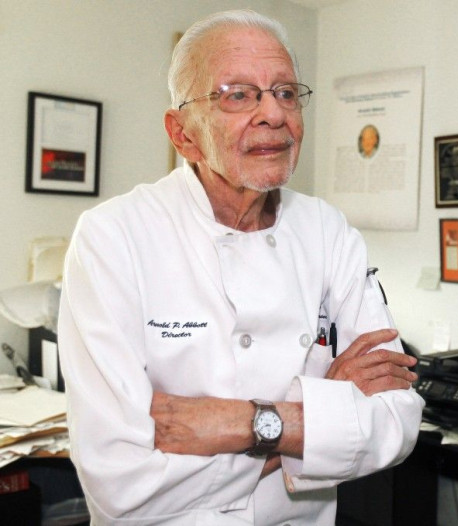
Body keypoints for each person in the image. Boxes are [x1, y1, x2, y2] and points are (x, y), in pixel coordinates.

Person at [58, 10, 423, 525]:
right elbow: (123, 484)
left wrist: (244, 423)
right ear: (182, 134)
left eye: (287, 92)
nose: (274, 114)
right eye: (238, 94)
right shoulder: (112, 238)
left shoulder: (328, 232)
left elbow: (399, 421)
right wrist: (320, 419)